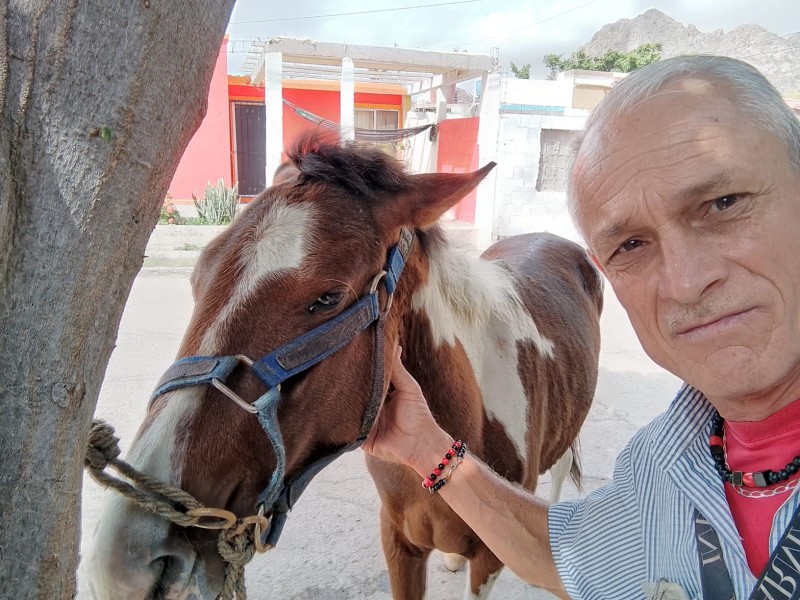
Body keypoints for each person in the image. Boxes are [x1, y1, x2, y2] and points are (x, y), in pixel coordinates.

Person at [364, 55, 800, 600]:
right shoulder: (664, 460)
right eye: (631, 245)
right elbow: (571, 556)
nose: (687, 282)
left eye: (723, 203)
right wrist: (428, 448)